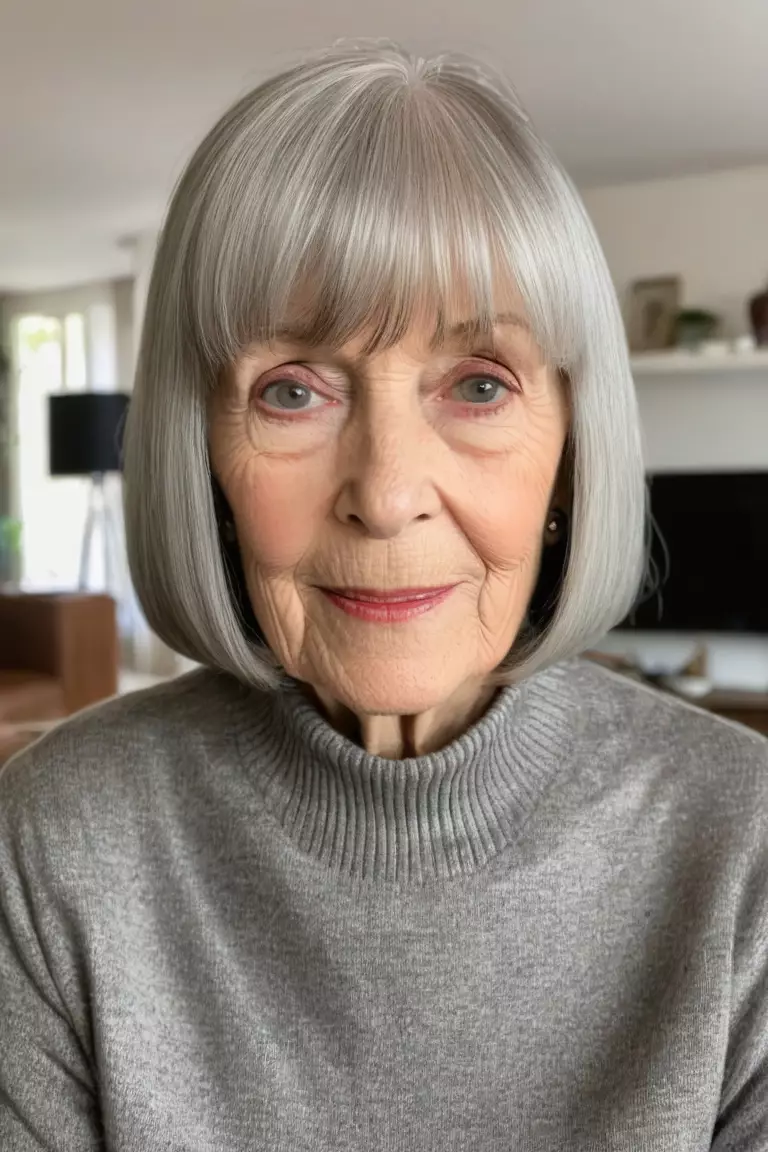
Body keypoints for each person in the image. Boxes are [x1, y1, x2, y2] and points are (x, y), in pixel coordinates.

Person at [1, 41, 767, 1152]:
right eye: (294, 390)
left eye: (480, 383)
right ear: (204, 456)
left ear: (569, 447)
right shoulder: (55, 847)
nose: (388, 492)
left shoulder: (745, 847)